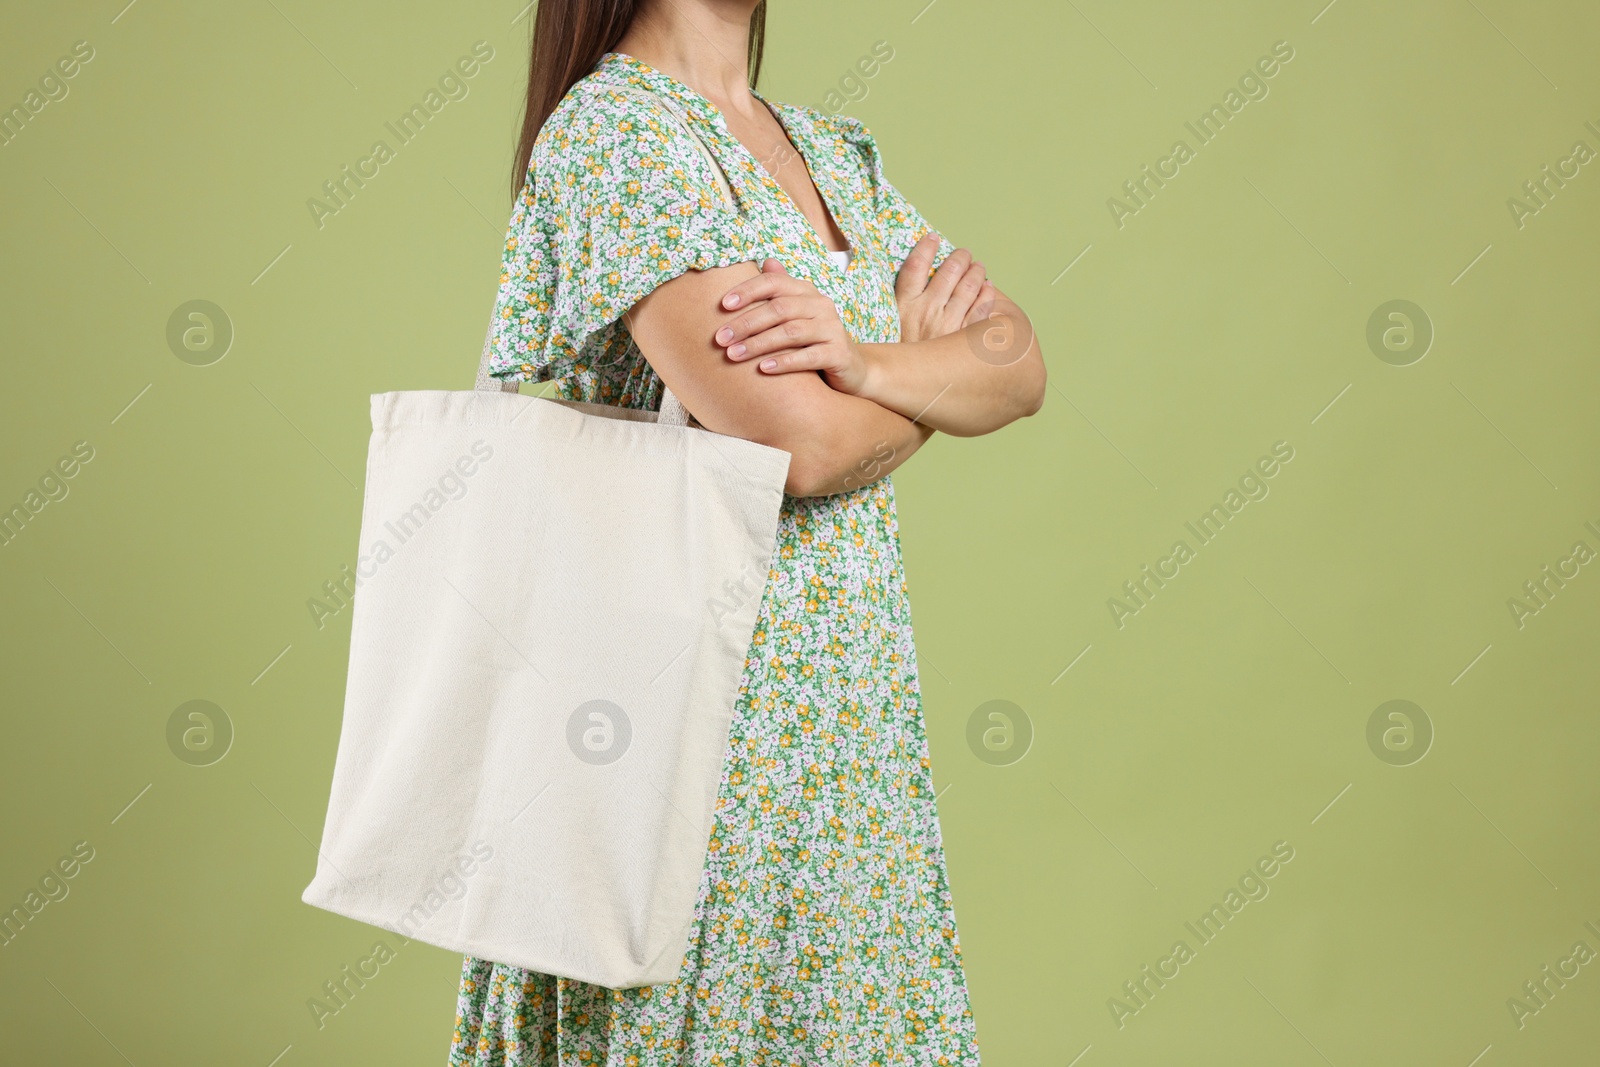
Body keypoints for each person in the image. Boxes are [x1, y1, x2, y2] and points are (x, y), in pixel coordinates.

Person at [452, 0, 1046, 1062]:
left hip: (844, 744)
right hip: (686, 740)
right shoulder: (617, 137)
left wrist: (864, 364)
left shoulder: (827, 149)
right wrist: (923, 374)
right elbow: (800, 449)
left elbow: (1016, 362)